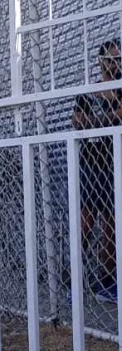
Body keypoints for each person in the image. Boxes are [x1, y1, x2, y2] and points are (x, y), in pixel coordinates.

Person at [72, 38, 120, 302]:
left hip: (114, 164)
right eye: (111, 59)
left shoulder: (120, 89)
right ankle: (74, 282)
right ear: (101, 61)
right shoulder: (89, 91)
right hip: (91, 165)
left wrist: (98, 120)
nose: (115, 65)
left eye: (119, 60)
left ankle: (107, 282)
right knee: (86, 224)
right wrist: (105, 118)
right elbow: (77, 122)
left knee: (110, 228)